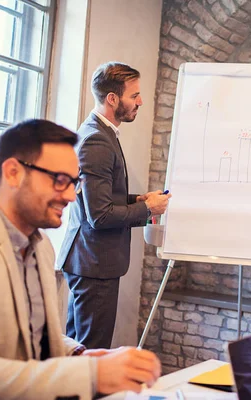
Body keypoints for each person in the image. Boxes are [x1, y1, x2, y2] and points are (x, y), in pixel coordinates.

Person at [0, 120, 161, 399]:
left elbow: (34, 339)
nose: (71, 195)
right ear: (13, 173)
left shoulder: (42, 246)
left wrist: (80, 354)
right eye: (59, 180)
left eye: (74, 182)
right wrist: (91, 375)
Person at [58, 62, 171, 349]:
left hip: (92, 260)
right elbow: (100, 215)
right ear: (112, 99)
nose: (140, 102)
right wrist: (149, 211)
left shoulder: (101, 131)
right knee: (91, 352)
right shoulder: (96, 139)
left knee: (80, 350)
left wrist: (138, 200)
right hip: (94, 263)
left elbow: (101, 198)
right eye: (134, 96)